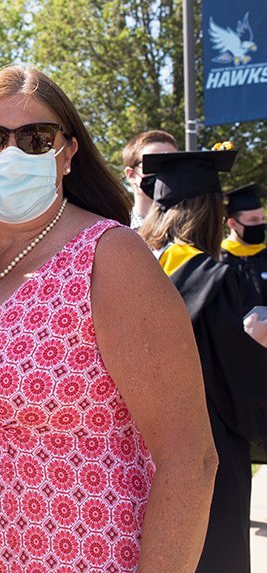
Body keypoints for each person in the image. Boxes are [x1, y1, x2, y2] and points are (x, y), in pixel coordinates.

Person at [0, 64, 217, 572]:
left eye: (37, 138)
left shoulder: (111, 256)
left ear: (67, 153)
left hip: (86, 555)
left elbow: (189, 460)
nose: (11, 155)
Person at [139, 150, 267, 573]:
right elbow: (242, 385)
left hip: (134, 451)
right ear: (211, 213)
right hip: (205, 450)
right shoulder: (217, 280)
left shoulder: (133, 269)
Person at [220, 182, 267, 306]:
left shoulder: (264, 254)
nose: (260, 225)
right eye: (253, 220)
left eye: (263, 219)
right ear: (232, 224)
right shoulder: (219, 261)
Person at [121, 129, 178, 230]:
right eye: (154, 163)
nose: (165, 171)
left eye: (173, 163)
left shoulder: (191, 231)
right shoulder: (118, 231)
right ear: (131, 175)